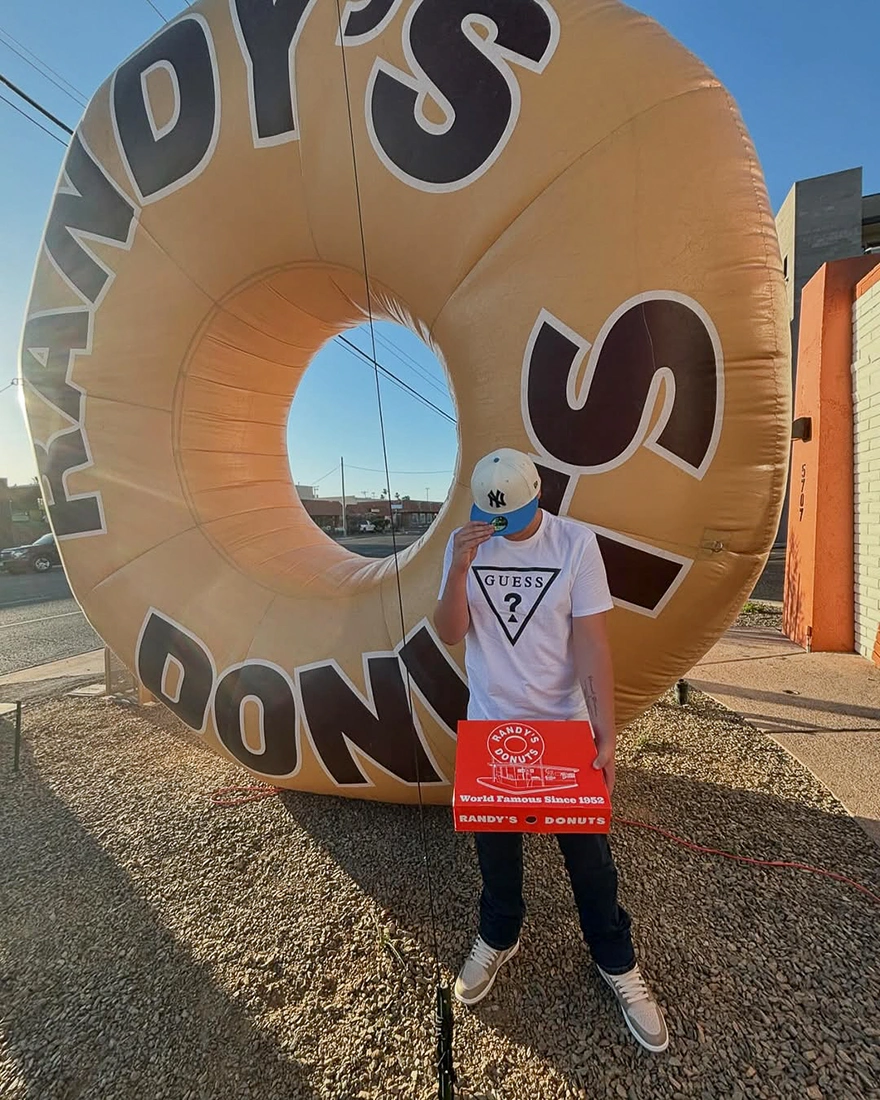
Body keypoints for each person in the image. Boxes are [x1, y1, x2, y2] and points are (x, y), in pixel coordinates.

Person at [434, 448, 668, 1053]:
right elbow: (451, 632)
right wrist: (459, 569)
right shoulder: (469, 542)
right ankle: (498, 935)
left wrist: (605, 733)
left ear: (537, 499)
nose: (502, 529)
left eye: (512, 517)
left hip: (562, 726)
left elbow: (592, 641)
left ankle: (616, 960)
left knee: (589, 859)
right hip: (492, 724)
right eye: (495, 518)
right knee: (496, 853)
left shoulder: (573, 544)